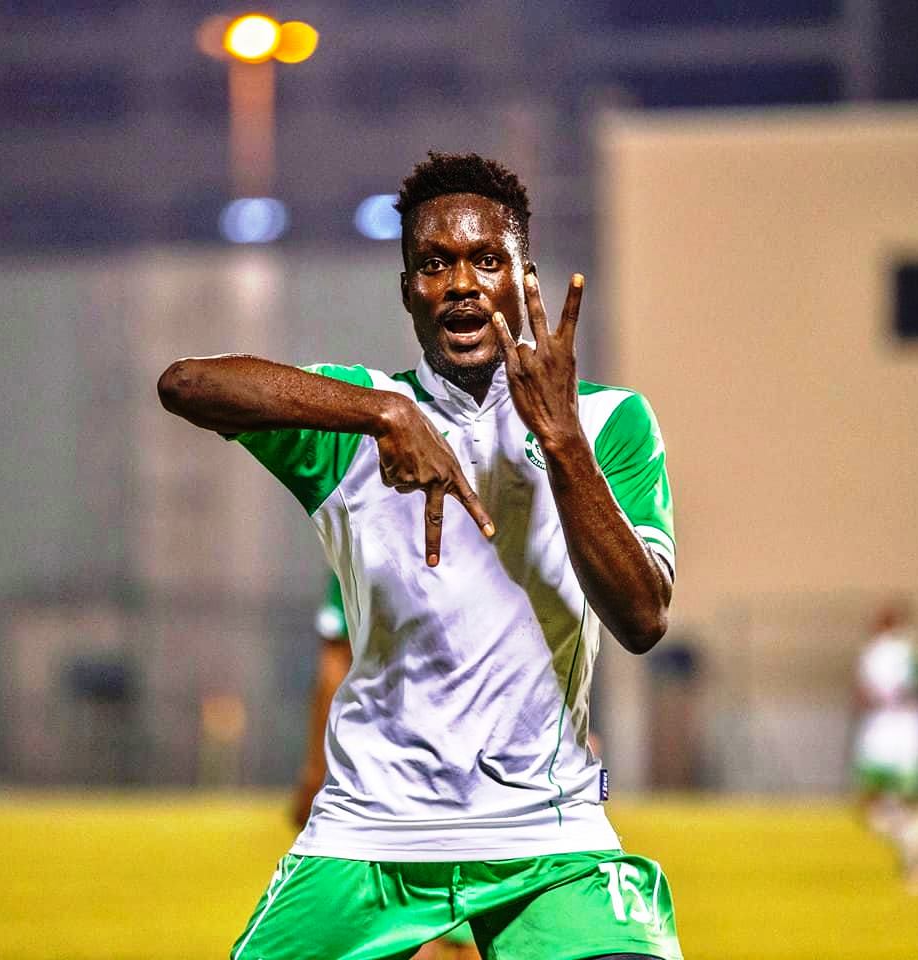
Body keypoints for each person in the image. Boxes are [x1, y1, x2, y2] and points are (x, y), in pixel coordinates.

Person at [159, 151, 683, 960]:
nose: (462, 282)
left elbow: (643, 618)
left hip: (549, 839)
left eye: (487, 260)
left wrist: (561, 441)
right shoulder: (353, 425)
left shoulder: (608, 422)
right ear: (408, 291)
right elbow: (186, 384)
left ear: (525, 281)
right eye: (435, 264)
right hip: (369, 835)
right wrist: (385, 413)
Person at [296, 573, 480, 958]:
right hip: (484, 766)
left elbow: (335, 660)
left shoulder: (365, 538)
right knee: (476, 925)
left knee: (405, 921)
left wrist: (315, 770)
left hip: (395, 766)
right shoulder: (510, 542)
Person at [852, 604, 918, 890]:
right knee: (891, 803)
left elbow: (863, 693)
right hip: (900, 732)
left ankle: (915, 854)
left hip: (890, 733)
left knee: (881, 802)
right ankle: (913, 847)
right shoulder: (906, 651)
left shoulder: (884, 652)